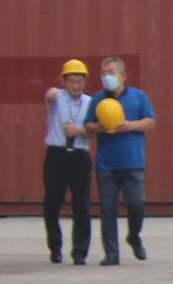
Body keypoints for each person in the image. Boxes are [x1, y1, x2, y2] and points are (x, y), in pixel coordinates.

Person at [90, 56, 157, 267]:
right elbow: (88, 125)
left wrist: (130, 125)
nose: (106, 77)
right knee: (107, 210)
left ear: (123, 75)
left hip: (132, 161)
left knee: (136, 205)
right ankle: (111, 253)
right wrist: (101, 126)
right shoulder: (97, 99)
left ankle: (134, 237)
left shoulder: (138, 97)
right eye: (103, 73)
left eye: (111, 72)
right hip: (106, 164)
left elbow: (151, 122)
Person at [41, 59, 97, 265]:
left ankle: (80, 251)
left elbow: (94, 132)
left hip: (79, 156)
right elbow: (49, 95)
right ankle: (55, 247)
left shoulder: (91, 102)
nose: (75, 85)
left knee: (82, 205)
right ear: (64, 81)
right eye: (72, 81)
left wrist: (78, 131)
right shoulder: (57, 98)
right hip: (57, 155)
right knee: (52, 203)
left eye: (79, 81)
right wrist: (51, 92)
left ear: (85, 82)